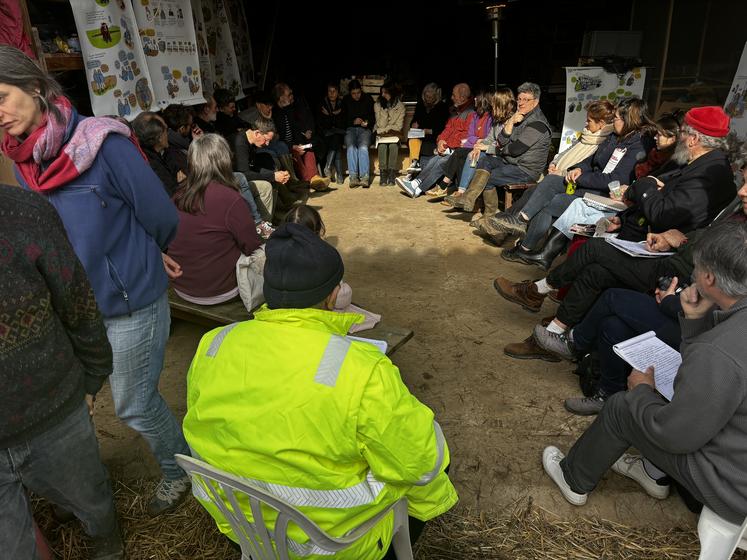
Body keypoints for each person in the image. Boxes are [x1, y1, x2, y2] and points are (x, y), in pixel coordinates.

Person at [182, 223, 458, 559]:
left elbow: (202, 423)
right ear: (333, 296)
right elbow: (419, 464)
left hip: (243, 527)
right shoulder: (364, 369)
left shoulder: (214, 344)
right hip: (335, 546)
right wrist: (431, 500)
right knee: (433, 449)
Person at [0, 45, 191, 515]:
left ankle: (181, 470)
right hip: (75, 307)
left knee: (131, 402)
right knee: (78, 398)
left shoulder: (105, 146)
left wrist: (149, 252)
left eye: (1, 96)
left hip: (130, 303)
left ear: (38, 89)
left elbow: (161, 214)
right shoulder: (26, 162)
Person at [543, 221, 747, 532]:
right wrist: (691, 326)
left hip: (732, 487)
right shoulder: (729, 327)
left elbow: (675, 434)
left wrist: (641, 392)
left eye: (696, 268)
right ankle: (653, 473)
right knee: (672, 386)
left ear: (708, 277)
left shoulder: (716, 350)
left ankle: (573, 478)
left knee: (623, 407)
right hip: (737, 452)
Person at [494, 105, 738, 344]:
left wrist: (646, 185)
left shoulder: (710, 173)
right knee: (595, 272)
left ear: (694, 139)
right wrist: (625, 214)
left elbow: (663, 212)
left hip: (667, 260)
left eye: (683, 133)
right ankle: (556, 331)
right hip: (655, 242)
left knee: (594, 249)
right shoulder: (701, 165)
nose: (679, 139)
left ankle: (537, 290)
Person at [0, 184, 123, 560]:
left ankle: (108, 544)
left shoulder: (25, 213)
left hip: (53, 408)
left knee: (91, 500)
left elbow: (76, 299)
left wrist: (93, 376)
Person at [496, 97, 649, 263]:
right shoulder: (615, 136)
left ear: (629, 120)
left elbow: (614, 180)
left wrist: (581, 177)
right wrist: (578, 169)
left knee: (550, 200)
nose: (614, 121)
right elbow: (592, 160)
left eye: (617, 118)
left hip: (605, 195)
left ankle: (526, 244)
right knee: (550, 184)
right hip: (590, 185)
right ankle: (524, 232)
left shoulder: (637, 145)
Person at [471, 99, 614, 235]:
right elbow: (565, 152)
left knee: (535, 193)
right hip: (556, 174)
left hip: (571, 182)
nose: (586, 123)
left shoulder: (603, 143)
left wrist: (562, 172)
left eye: (589, 120)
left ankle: (501, 225)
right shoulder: (586, 135)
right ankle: (500, 225)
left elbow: (586, 167)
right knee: (530, 192)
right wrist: (554, 163)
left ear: (601, 123)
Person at [169, 133, 263, 304]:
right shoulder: (231, 198)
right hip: (220, 291)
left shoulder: (178, 194)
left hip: (182, 286)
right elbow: (251, 246)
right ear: (224, 160)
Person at [445, 82, 551, 216]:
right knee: (484, 161)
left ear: (535, 102)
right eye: (519, 99)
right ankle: (469, 199)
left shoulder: (537, 123)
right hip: (511, 162)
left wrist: (495, 148)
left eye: (526, 100)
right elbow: (501, 141)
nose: (521, 103)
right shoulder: (519, 117)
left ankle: (488, 216)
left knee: (488, 178)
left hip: (526, 169)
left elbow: (515, 150)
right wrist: (511, 122)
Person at [396, 82, 475, 197]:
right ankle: (415, 187)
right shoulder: (455, 111)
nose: (451, 98)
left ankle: (416, 187)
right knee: (436, 158)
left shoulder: (470, 114)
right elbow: (447, 129)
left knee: (441, 161)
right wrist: (441, 141)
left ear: (462, 97)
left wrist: (447, 145)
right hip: (449, 148)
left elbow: (466, 137)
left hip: (460, 151)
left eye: (454, 95)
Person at [273, 82, 331, 191]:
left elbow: (296, 128)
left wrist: (300, 142)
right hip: (285, 148)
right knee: (296, 153)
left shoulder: (289, 109)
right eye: (289, 94)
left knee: (309, 149)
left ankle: (314, 178)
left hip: (295, 143)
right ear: (281, 98)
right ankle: (310, 181)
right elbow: (278, 139)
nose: (291, 96)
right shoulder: (275, 114)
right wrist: (293, 146)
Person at [132, 111, 183, 195]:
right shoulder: (152, 166)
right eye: (166, 130)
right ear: (159, 137)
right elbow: (174, 194)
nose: (168, 133)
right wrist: (182, 184)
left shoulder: (163, 151)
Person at [406, 82, 449, 173]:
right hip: (420, 134)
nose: (428, 99)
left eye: (430, 97)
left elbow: (443, 127)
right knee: (412, 139)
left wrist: (430, 131)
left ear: (436, 97)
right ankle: (414, 162)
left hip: (434, 135)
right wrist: (414, 124)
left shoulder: (442, 107)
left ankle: (417, 167)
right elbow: (414, 120)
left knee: (424, 143)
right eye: (426, 96)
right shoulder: (420, 105)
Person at [342, 79, 376, 188]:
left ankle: (365, 177)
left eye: (358, 93)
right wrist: (352, 122)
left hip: (365, 130)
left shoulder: (368, 99)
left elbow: (373, 117)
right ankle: (353, 177)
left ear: (361, 91)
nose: (356, 96)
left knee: (363, 148)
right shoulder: (345, 100)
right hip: (350, 129)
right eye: (353, 93)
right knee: (351, 147)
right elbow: (341, 119)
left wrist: (367, 122)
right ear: (350, 93)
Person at [374, 80, 405, 186]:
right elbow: (380, 125)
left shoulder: (400, 107)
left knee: (393, 146)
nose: (383, 95)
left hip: (394, 136)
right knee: (382, 146)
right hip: (382, 136)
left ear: (392, 93)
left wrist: (387, 129)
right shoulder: (378, 105)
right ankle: (383, 173)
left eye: (385, 93)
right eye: (382, 92)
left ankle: (391, 173)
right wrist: (384, 110)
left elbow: (398, 127)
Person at [318, 81, 347, 183]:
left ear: (338, 92)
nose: (331, 94)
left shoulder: (342, 103)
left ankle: (328, 167)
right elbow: (324, 123)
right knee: (336, 146)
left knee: (336, 139)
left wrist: (329, 115)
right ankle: (339, 175)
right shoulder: (323, 103)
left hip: (339, 132)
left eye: (334, 91)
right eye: (329, 91)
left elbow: (342, 123)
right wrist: (334, 115)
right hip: (326, 133)